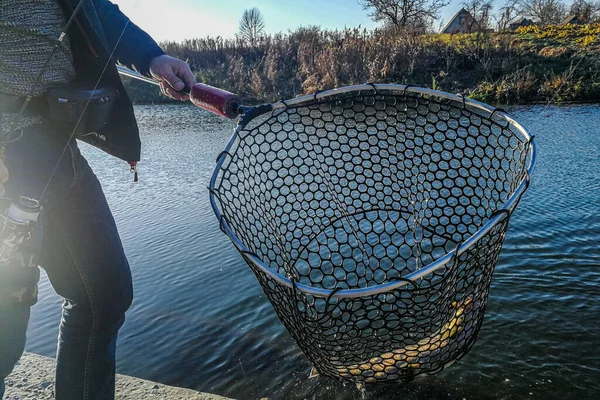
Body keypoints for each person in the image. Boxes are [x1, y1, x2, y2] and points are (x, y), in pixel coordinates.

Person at [0, 1, 196, 399]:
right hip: (8, 152)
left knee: (104, 294)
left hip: (56, 146)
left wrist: (151, 56)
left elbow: (91, 9)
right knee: (6, 315)